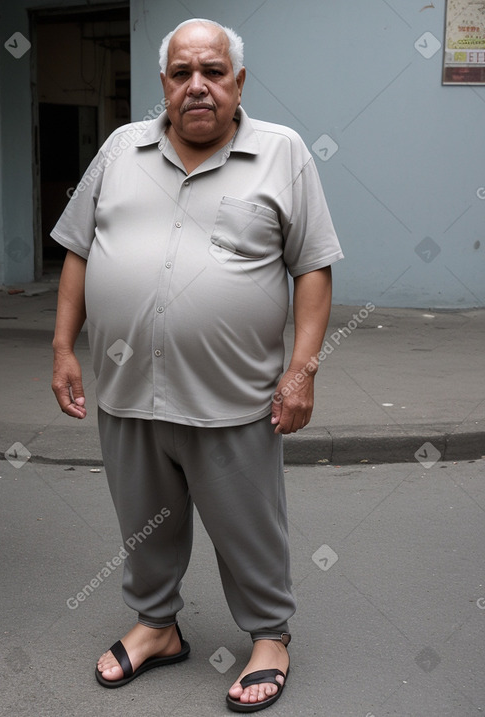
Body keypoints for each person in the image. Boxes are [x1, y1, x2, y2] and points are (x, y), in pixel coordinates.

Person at [51, 18, 343, 712]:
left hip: (234, 394)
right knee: (143, 517)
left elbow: (312, 269)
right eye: (182, 74)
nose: (197, 86)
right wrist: (64, 346)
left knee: (249, 522)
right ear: (164, 84)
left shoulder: (283, 153)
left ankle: (269, 635)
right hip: (127, 390)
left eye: (213, 71)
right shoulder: (122, 148)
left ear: (238, 81)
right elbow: (79, 249)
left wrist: (302, 369)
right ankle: (158, 625)